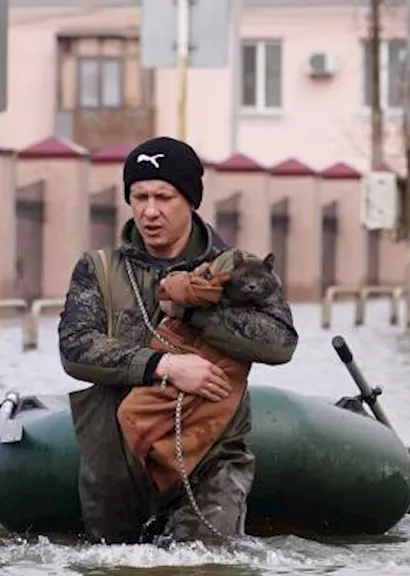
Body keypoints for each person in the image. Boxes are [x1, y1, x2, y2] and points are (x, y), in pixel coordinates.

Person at [56, 136, 299, 545]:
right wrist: (164, 367)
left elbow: (279, 342)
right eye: (140, 197)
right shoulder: (98, 269)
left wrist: (192, 312)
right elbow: (76, 346)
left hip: (212, 456)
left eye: (164, 197)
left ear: (190, 200)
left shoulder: (237, 269)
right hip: (119, 457)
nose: (150, 211)